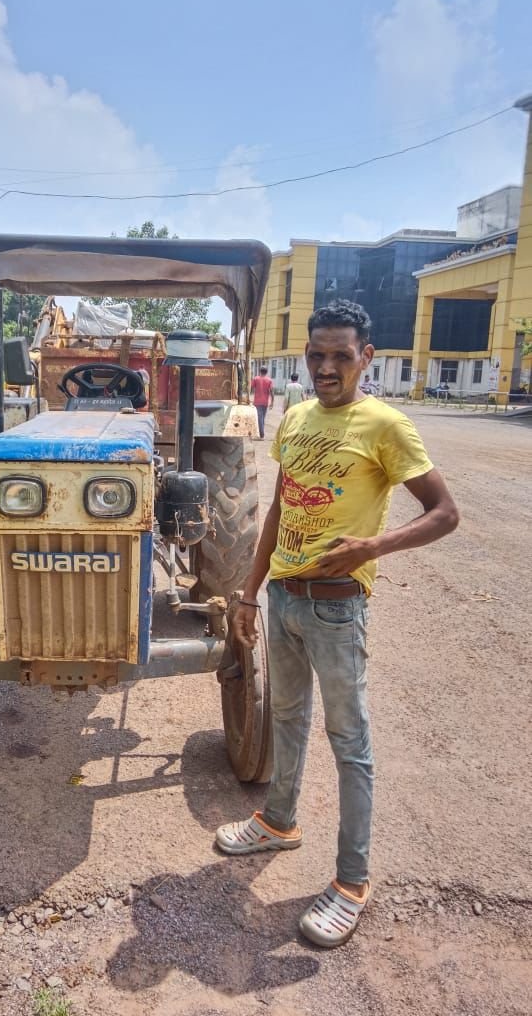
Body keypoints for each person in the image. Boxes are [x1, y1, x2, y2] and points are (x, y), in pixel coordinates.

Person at [215, 299, 458, 948]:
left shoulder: (386, 426)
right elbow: (278, 511)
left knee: (350, 744)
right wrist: (248, 591)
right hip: (285, 602)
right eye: (316, 355)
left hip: (337, 605)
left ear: (366, 358)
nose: (326, 368)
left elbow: (445, 513)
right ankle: (279, 820)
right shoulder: (293, 418)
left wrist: (371, 549)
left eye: (340, 356)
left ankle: (351, 882)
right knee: (288, 722)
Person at [250, 366, 274, 439]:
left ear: (260, 371)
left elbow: (251, 389)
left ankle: (261, 435)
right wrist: (272, 402)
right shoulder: (269, 380)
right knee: (262, 418)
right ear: (266, 372)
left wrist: (248, 397)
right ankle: (261, 433)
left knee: (260, 418)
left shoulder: (256, 379)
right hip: (265, 402)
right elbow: (272, 392)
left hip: (257, 402)